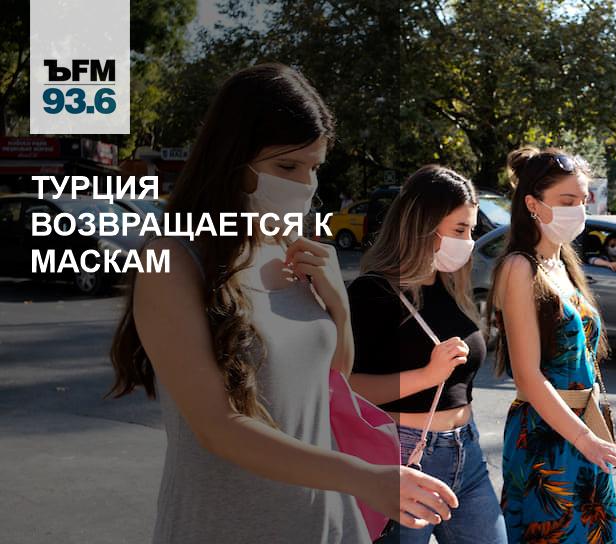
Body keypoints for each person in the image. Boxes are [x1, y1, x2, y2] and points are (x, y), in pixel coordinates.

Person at [108, 64, 456, 543]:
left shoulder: (293, 247)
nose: (305, 184)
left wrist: (338, 306)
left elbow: (332, 380)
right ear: (232, 158)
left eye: (314, 168)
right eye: (287, 167)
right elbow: (216, 426)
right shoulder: (173, 260)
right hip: (226, 528)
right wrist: (365, 477)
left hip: (330, 525)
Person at [347, 165, 507, 544]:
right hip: (404, 455)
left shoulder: (451, 286)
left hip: (466, 450)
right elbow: (347, 387)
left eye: (471, 231)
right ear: (424, 224)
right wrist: (426, 376)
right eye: (460, 230)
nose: (469, 241)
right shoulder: (373, 292)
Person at [490, 147, 616, 543]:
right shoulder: (519, 267)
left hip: (581, 430)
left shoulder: (562, 264)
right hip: (547, 438)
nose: (579, 210)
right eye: (567, 201)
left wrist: (591, 436)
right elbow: (527, 376)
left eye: (583, 201)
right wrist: (585, 439)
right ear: (532, 204)